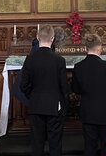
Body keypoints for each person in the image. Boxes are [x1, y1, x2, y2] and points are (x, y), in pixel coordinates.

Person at [20, 25, 69, 156]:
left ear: (37, 37)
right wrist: (64, 107)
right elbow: (64, 87)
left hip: (36, 106)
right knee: (55, 145)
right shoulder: (59, 60)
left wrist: (34, 96)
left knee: (37, 145)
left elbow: (23, 85)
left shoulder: (30, 59)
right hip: (54, 106)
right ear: (53, 39)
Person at [72, 33, 106, 156]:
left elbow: (75, 89)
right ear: (100, 48)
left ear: (85, 48)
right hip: (105, 111)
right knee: (105, 145)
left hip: (87, 110)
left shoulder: (78, 67)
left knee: (89, 145)